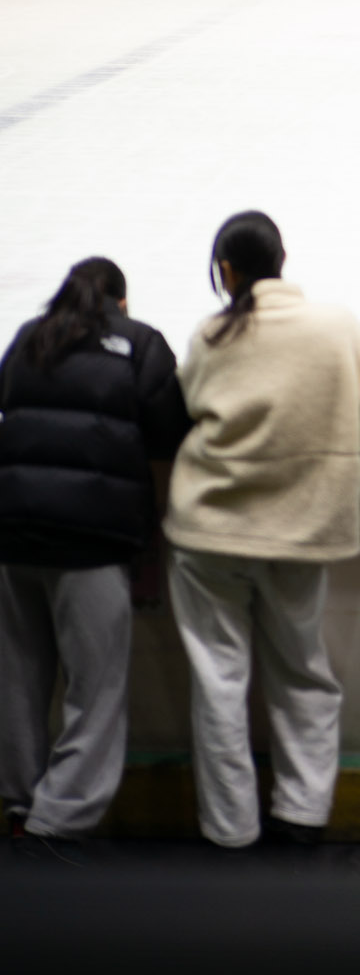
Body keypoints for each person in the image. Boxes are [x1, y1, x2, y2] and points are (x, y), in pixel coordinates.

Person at [164, 212, 360, 852]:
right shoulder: (337, 326)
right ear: (282, 261)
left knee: (219, 679)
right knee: (303, 671)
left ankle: (229, 828)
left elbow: (189, 405)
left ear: (227, 270)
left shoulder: (212, 333)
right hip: (303, 526)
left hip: (210, 530)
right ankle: (303, 814)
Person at [0, 257, 190, 860]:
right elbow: (170, 430)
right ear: (121, 301)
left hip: (12, 532)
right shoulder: (139, 344)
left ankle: (19, 805)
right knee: (96, 687)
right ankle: (59, 817)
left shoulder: (28, 337)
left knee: (18, 681)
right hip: (92, 539)